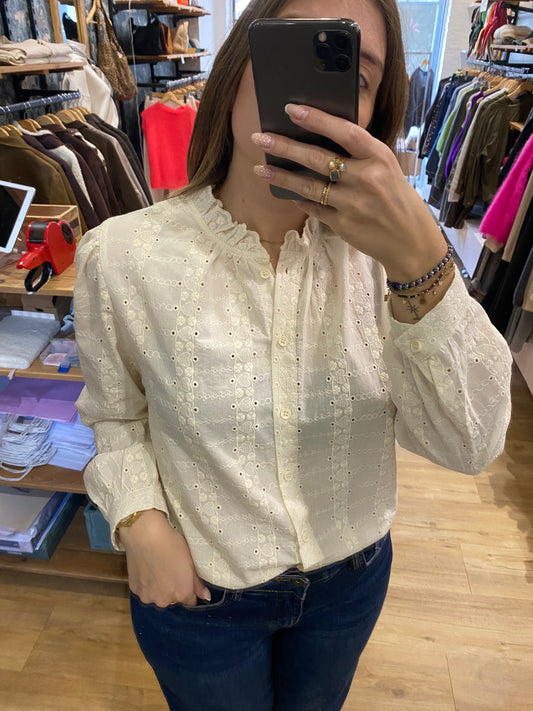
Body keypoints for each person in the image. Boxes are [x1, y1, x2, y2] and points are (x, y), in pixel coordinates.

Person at [74, 1, 513, 709]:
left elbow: (471, 443)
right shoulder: (122, 256)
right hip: (201, 594)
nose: (307, 97)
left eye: (351, 75)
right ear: (235, 70)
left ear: (371, 115)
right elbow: (115, 414)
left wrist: (420, 264)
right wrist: (139, 521)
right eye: (289, 51)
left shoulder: (394, 264)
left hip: (351, 583)